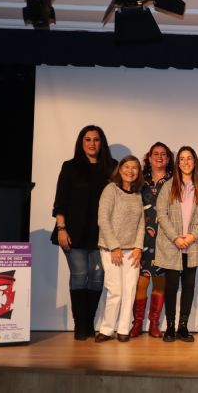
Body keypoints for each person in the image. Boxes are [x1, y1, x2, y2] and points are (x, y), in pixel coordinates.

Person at [51, 125, 117, 340]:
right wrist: (61, 228)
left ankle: (89, 323)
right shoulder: (70, 167)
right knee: (80, 276)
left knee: (97, 278)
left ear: (102, 143)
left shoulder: (113, 168)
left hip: (102, 234)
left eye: (96, 139)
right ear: (81, 142)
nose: (92, 143)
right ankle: (80, 325)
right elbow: (60, 200)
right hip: (73, 232)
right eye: (87, 139)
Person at [155, 146, 198, 342]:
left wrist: (192, 236)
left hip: (193, 245)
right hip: (172, 245)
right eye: (182, 159)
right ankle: (170, 326)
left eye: (190, 159)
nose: (186, 162)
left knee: (188, 287)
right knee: (171, 287)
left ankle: (183, 327)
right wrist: (176, 238)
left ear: (195, 162)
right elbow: (161, 214)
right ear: (178, 163)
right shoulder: (168, 186)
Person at [95, 155, 145, 343]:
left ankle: (124, 329)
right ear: (120, 169)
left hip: (132, 250)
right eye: (127, 167)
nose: (130, 171)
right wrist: (114, 247)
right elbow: (103, 219)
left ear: (138, 172)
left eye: (134, 168)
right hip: (111, 250)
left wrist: (139, 247)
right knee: (115, 290)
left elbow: (141, 223)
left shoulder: (138, 193)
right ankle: (107, 329)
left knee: (130, 289)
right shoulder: (111, 190)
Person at [129, 142, 174, 338]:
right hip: (142, 239)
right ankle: (137, 323)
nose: (159, 157)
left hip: (165, 239)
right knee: (140, 282)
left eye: (163, 154)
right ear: (148, 157)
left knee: (160, 282)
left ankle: (154, 323)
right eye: (155, 154)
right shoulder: (139, 180)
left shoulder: (174, 181)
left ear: (168, 158)